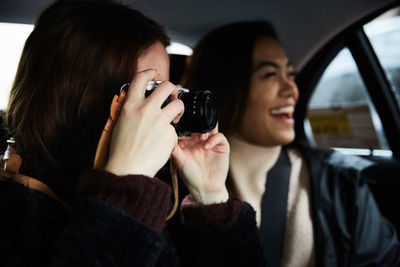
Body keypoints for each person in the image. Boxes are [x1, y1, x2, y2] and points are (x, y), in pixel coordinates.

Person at [0, 1, 264, 266]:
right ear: (78, 101)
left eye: (166, 91)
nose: (169, 110)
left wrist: (211, 201)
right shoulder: (13, 218)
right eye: (150, 92)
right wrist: (126, 187)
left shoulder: (156, 200)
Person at [183, 21, 400, 266]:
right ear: (226, 87)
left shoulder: (342, 184)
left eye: (290, 75)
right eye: (270, 74)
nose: (291, 89)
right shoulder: (179, 188)